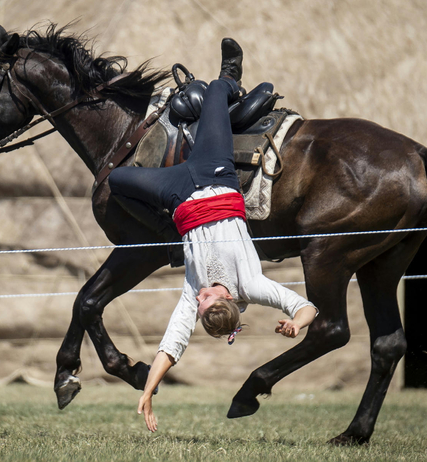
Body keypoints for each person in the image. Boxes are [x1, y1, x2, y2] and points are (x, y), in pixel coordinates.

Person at [108, 39, 317, 432]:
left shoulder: (195, 297)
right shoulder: (251, 284)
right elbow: (305, 307)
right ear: (225, 299)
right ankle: (232, 78)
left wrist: (148, 392)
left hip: (178, 192)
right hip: (213, 173)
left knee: (116, 180)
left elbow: (173, 345)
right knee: (216, 89)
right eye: (207, 298)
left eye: (198, 304)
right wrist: (297, 324)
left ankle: (166, 225)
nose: (198, 294)